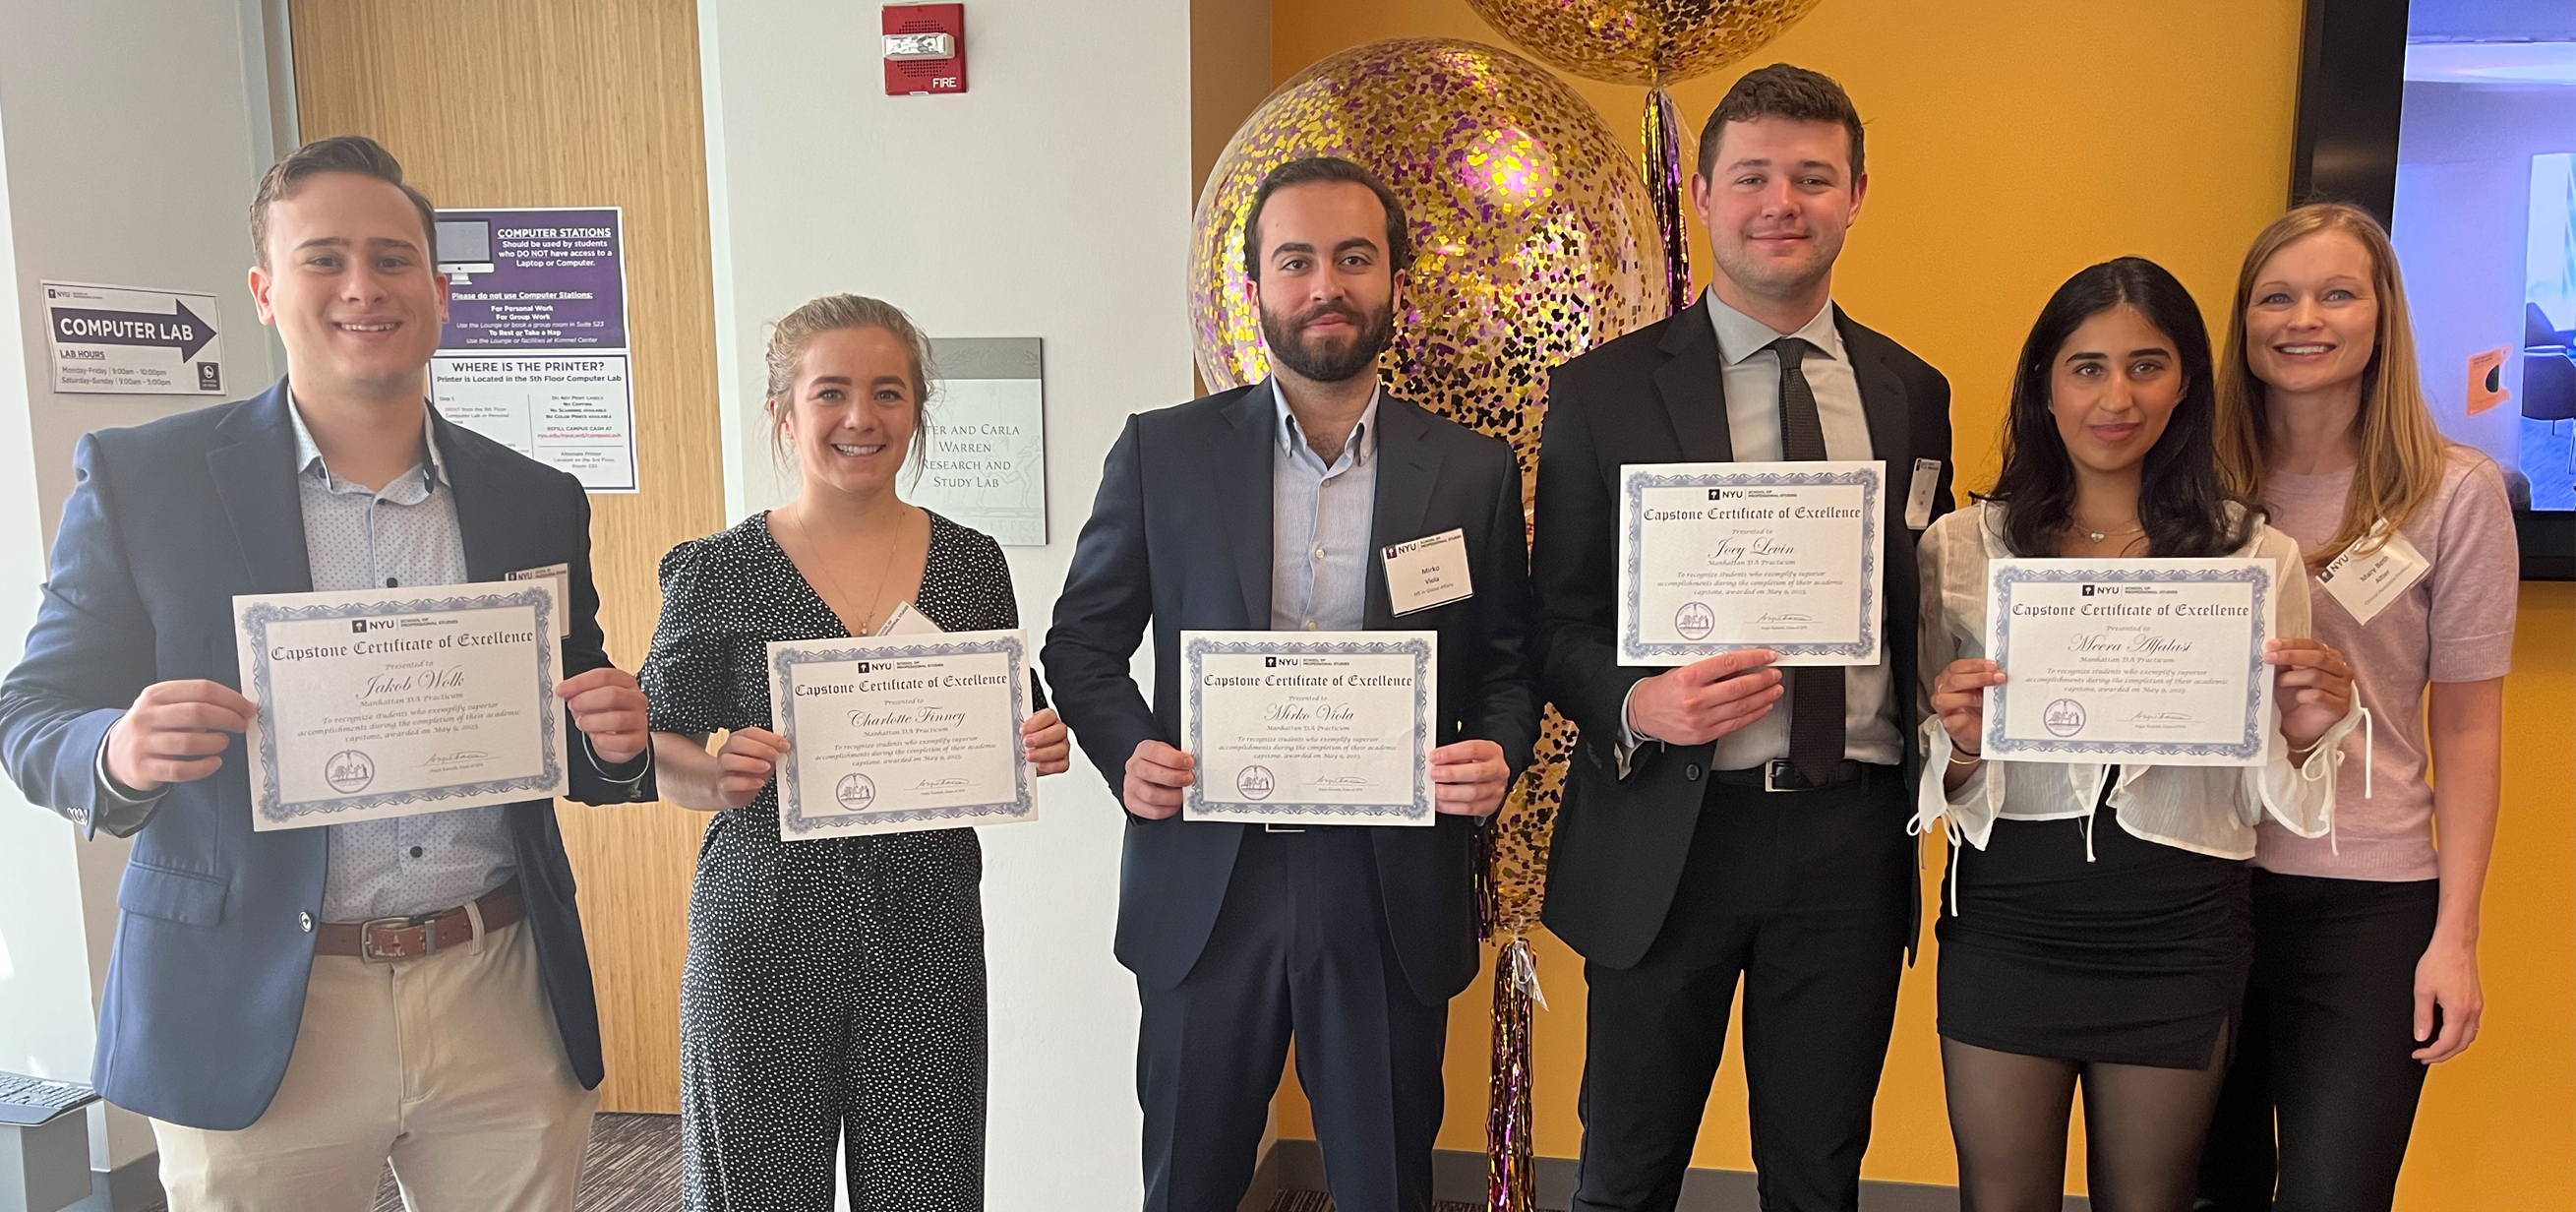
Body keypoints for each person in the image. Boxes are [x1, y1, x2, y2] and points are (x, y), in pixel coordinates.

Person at [0, 135, 659, 1210]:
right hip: (252, 998)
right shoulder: (146, 479)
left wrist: (615, 738)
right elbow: (32, 711)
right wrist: (114, 750)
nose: (364, 286)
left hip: (496, 984)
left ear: (440, 294)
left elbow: (569, 705)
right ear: (265, 291)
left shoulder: (534, 496)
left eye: (394, 259)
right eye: (324, 259)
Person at [1042, 155, 1539, 1212]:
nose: (1326, 286)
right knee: (1189, 1181)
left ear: (1394, 280)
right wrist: (1128, 751)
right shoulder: (1163, 453)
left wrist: (1497, 749)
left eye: (1354, 258)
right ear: (1256, 286)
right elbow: (1081, 643)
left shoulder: (1470, 469)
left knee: (1385, 1183)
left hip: (1386, 881)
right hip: (1207, 880)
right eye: (1297, 260)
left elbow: (1506, 662)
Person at [1530, 64, 1954, 1212]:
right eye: (1755, 176)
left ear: (1856, 195)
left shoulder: (1912, 392)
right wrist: (1637, 701)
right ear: (1705, 196)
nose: (1783, 203)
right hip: (1670, 833)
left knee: (1818, 1176)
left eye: (1813, 177)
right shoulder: (1603, 392)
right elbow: (1555, 621)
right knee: (1626, 1171)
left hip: (1850, 837)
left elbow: (1920, 600)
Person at [1916, 256, 2364, 1212]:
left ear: (2186, 383)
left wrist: (2304, 732)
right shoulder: (1961, 547)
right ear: (2044, 385)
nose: (2116, 397)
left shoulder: (2255, 555)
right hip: (2008, 922)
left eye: (2146, 365)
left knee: (2150, 1199)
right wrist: (1960, 742)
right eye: (2086, 367)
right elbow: (1933, 780)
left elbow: (2274, 795)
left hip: (2180, 928)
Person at [637, 294, 1073, 1211]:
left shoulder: (970, 563)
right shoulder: (717, 569)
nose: (860, 418)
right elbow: (656, 739)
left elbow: (1008, 712)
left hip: (925, 929)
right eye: (830, 392)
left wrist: (1036, 739)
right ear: (783, 412)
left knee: (927, 1191)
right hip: (764, 931)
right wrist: (715, 776)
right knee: (757, 1194)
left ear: (917, 410)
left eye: (888, 393)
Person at [2194, 205, 2517, 1211]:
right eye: (2276, 297)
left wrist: (2455, 935)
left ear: (2382, 317)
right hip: (2201, 877)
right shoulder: (2192, 486)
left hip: (2369, 900)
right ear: (2244, 321)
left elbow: (2467, 727)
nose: (2305, 319)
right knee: (2203, 1187)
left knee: (2336, 1191)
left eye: (2337, 294)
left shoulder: (2454, 493)